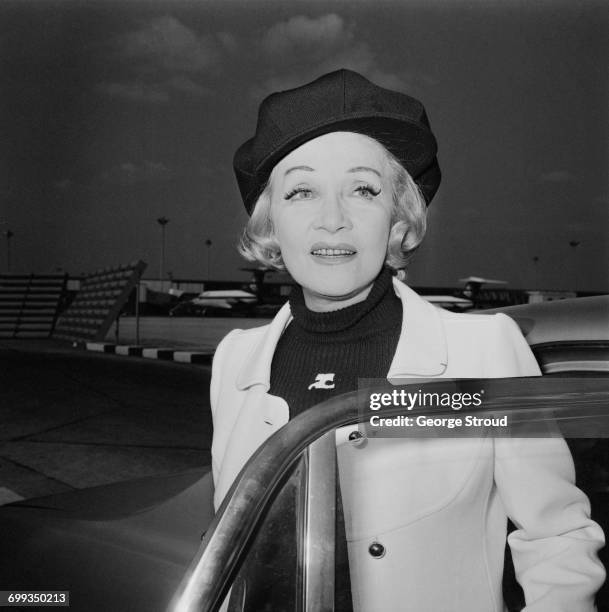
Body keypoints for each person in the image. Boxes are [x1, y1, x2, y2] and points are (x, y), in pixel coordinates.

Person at [210, 69, 605, 611]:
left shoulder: (485, 351)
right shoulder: (235, 360)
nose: (333, 220)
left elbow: (557, 538)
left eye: (363, 190)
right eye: (302, 191)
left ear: (397, 219)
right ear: (270, 222)